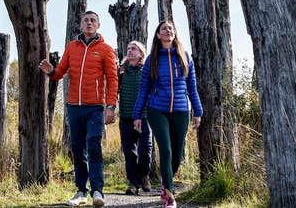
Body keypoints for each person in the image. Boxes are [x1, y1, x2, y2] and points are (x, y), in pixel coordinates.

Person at [39, 11, 117, 207]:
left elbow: (113, 79)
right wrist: (52, 72)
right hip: (74, 106)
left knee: (93, 145)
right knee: (77, 148)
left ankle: (97, 191)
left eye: (93, 20)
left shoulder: (106, 49)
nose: (89, 23)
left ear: (98, 25)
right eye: (86, 20)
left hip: (96, 107)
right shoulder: (71, 47)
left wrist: (111, 106)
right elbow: (61, 71)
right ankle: (81, 191)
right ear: (80, 25)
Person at [132, 21, 202, 208]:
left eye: (171, 28)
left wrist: (198, 111)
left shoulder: (184, 56)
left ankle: (165, 183)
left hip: (181, 110)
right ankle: (170, 197)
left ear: (174, 33)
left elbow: (192, 88)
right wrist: (137, 114)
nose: (168, 30)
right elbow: (144, 89)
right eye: (164, 29)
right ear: (158, 35)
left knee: (177, 155)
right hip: (157, 110)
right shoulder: (152, 58)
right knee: (166, 149)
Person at [117, 41, 153, 195]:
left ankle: (144, 175)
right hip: (126, 116)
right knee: (129, 151)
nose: (130, 51)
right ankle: (133, 183)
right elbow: (113, 89)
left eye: (134, 49)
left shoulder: (147, 70)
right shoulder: (121, 71)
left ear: (141, 53)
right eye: (129, 49)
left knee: (145, 149)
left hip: (145, 116)